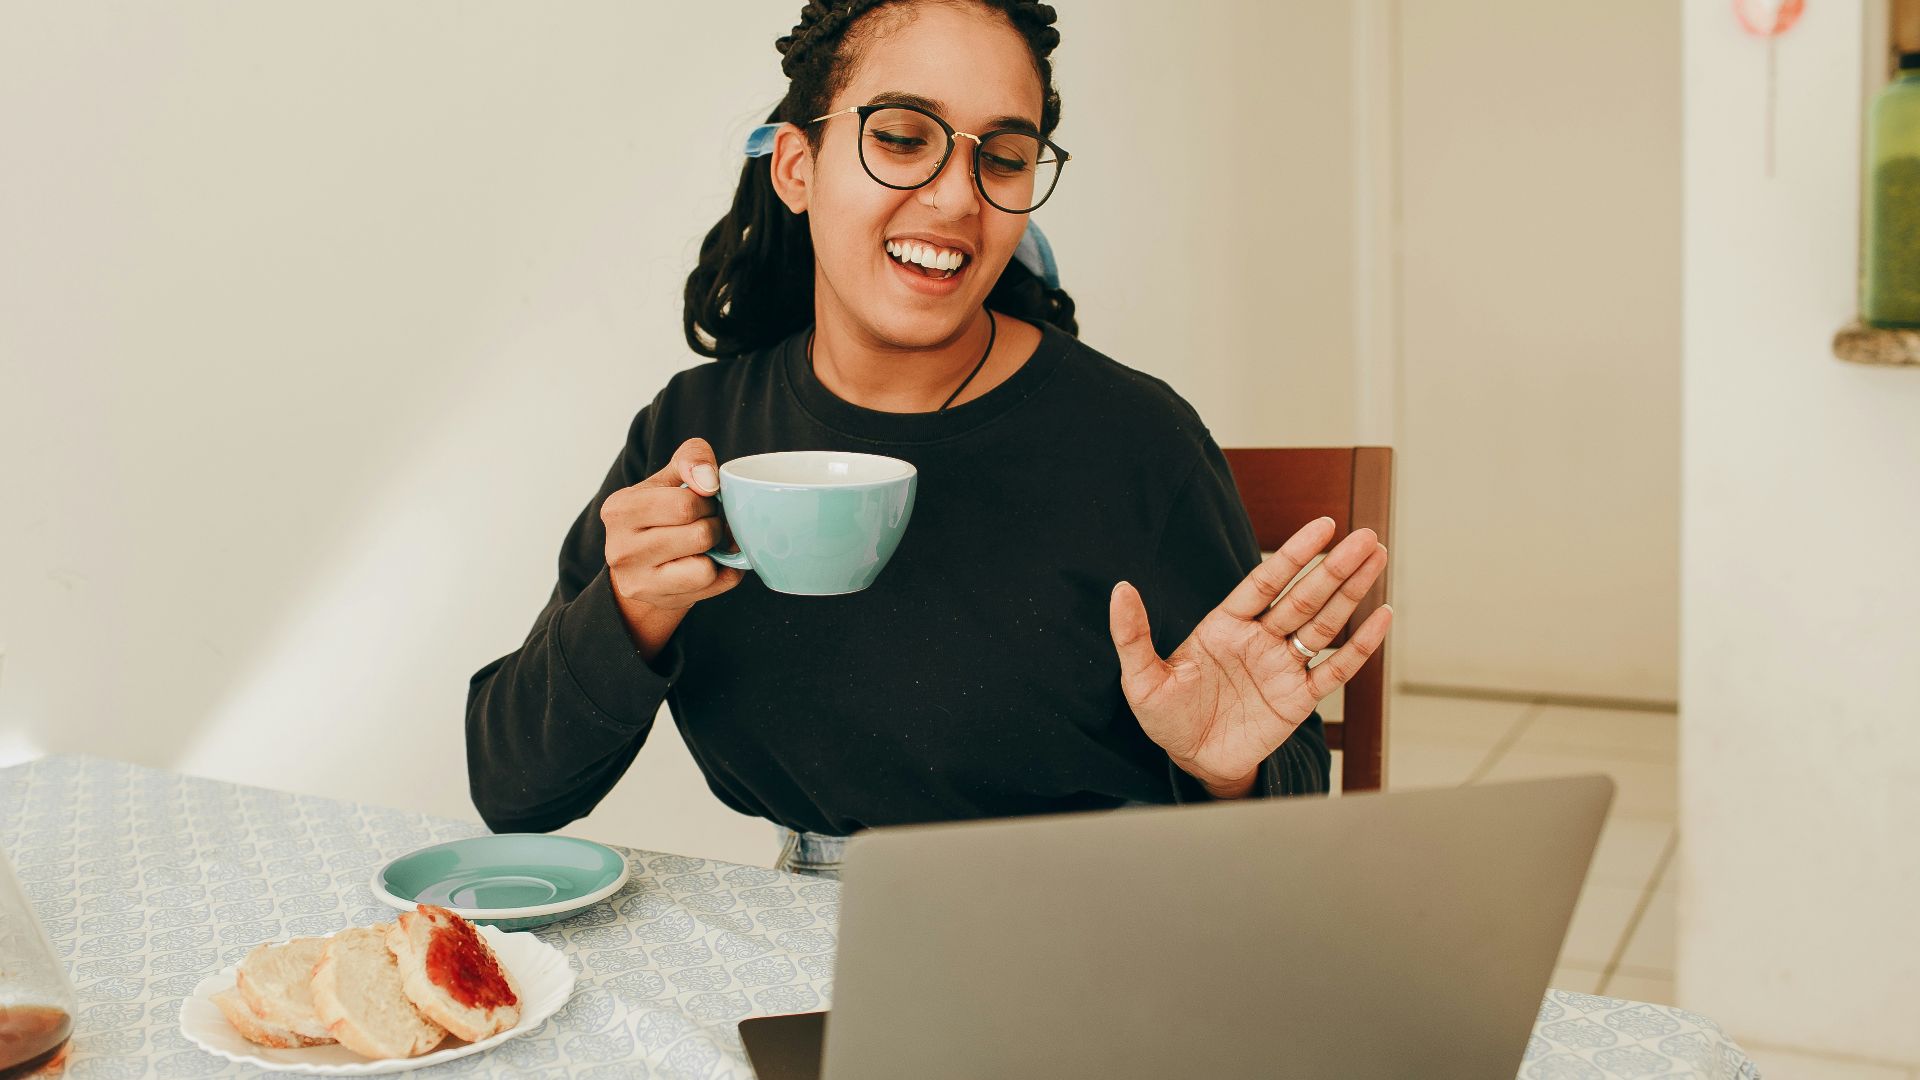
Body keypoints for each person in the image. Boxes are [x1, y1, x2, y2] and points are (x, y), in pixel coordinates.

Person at [465, 0, 1392, 881]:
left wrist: (1224, 772)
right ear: (796, 167)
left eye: (1005, 158)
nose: (955, 199)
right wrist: (627, 612)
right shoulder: (694, 437)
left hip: (1096, 921)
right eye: (903, 138)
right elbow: (513, 793)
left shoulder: (1138, 442)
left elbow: (1286, 790)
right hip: (802, 924)